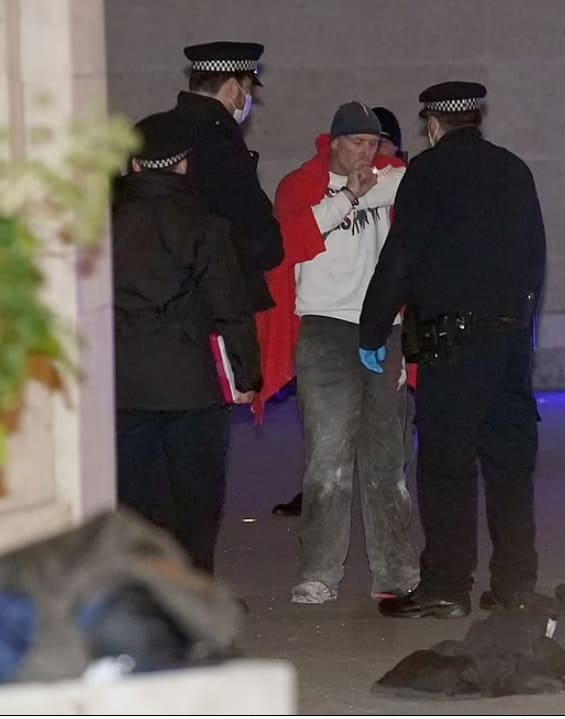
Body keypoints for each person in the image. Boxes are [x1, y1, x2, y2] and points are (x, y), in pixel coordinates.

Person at [358, 81, 547, 619]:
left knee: (445, 464)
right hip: (509, 341)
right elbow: (536, 256)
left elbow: (402, 257)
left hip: (453, 344)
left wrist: (372, 330)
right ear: (475, 118)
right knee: (509, 463)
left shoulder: (428, 173)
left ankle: (445, 585)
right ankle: (514, 584)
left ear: (433, 124)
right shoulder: (514, 169)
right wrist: (520, 329)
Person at [255, 101, 419, 604]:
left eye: (373, 145)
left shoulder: (391, 178)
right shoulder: (302, 186)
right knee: (327, 457)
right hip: (324, 330)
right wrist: (348, 195)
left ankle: (394, 572)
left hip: (382, 331)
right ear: (334, 142)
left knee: (387, 459)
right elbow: (292, 239)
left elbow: (423, 185)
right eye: (356, 144)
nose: (366, 154)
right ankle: (320, 573)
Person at [113, 110, 262, 574]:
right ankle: (193, 603)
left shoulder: (99, 227)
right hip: (192, 387)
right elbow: (230, 308)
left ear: (134, 166)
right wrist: (247, 374)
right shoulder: (207, 228)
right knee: (195, 506)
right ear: (183, 165)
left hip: (122, 388)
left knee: (134, 505)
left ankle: (143, 603)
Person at [172, 41, 284, 313]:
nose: (248, 100)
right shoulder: (222, 141)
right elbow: (251, 222)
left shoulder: (157, 132)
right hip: (219, 296)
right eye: (247, 90)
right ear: (233, 89)